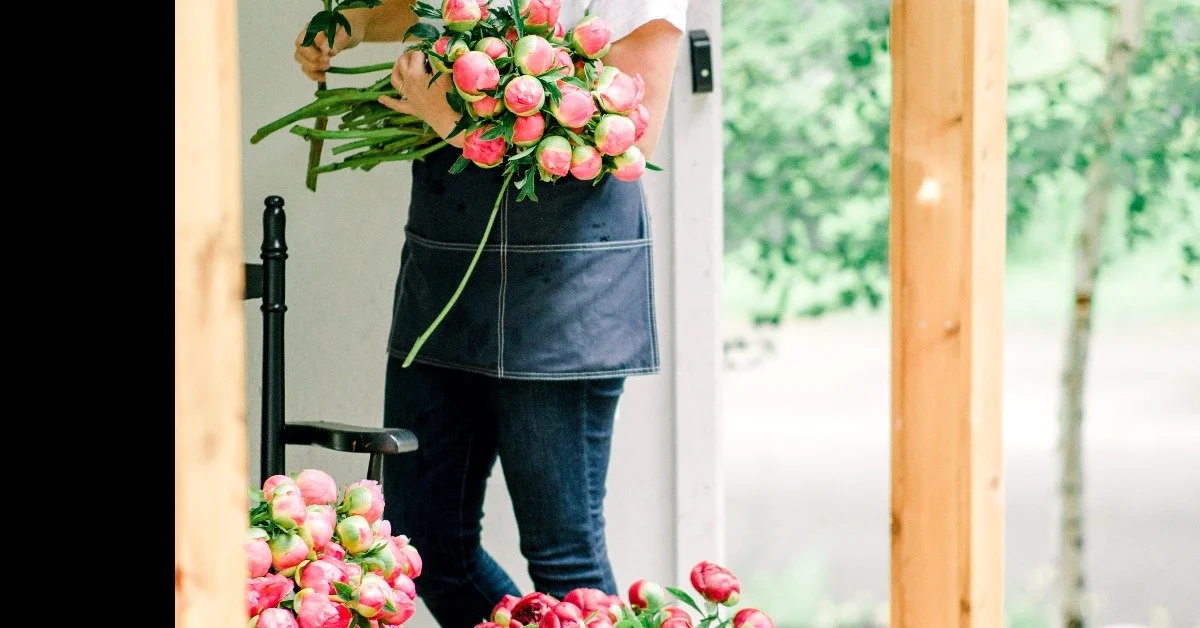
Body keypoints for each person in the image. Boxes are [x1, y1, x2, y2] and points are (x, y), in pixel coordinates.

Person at [292, 1, 687, 625]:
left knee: (565, 561)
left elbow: (631, 132)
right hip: (446, 274)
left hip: (565, 290)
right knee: (427, 541)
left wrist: (447, 119)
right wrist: (360, 24)